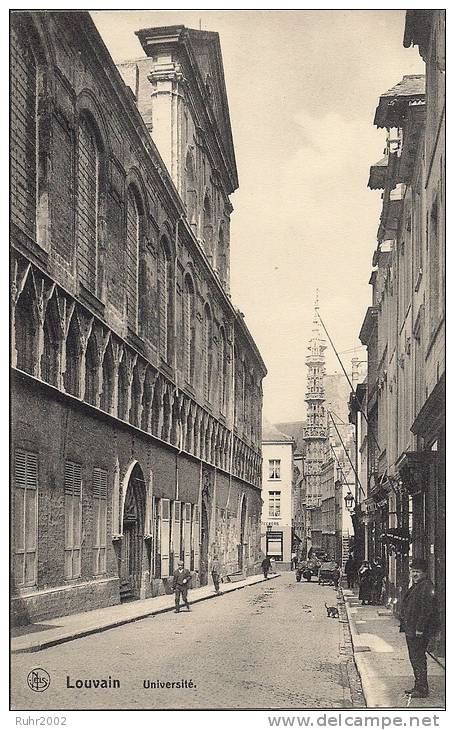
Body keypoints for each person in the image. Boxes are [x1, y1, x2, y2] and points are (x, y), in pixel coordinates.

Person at [400, 558, 440, 698]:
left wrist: (420, 628)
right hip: (412, 629)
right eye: (412, 571)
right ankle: (418, 685)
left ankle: (422, 688)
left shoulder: (426, 586)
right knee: (415, 658)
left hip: (418, 631)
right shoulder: (417, 585)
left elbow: (426, 610)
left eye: (417, 572)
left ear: (424, 573)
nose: (414, 574)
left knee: (418, 658)